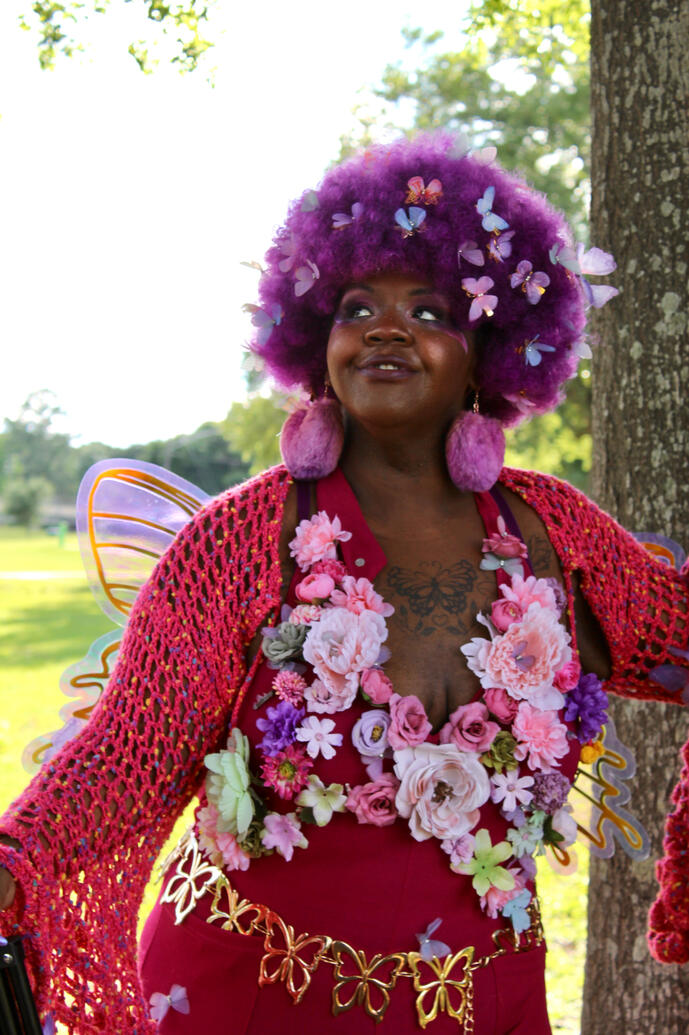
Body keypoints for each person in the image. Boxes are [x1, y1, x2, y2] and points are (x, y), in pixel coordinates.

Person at [1, 132, 688, 1035]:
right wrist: (14, 863)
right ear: (313, 340)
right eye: (356, 304)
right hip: (240, 997)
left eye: (431, 309)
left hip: (483, 1007)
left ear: (493, 354)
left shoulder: (553, 532)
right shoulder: (240, 539)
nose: (385, 326)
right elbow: (124, 759)